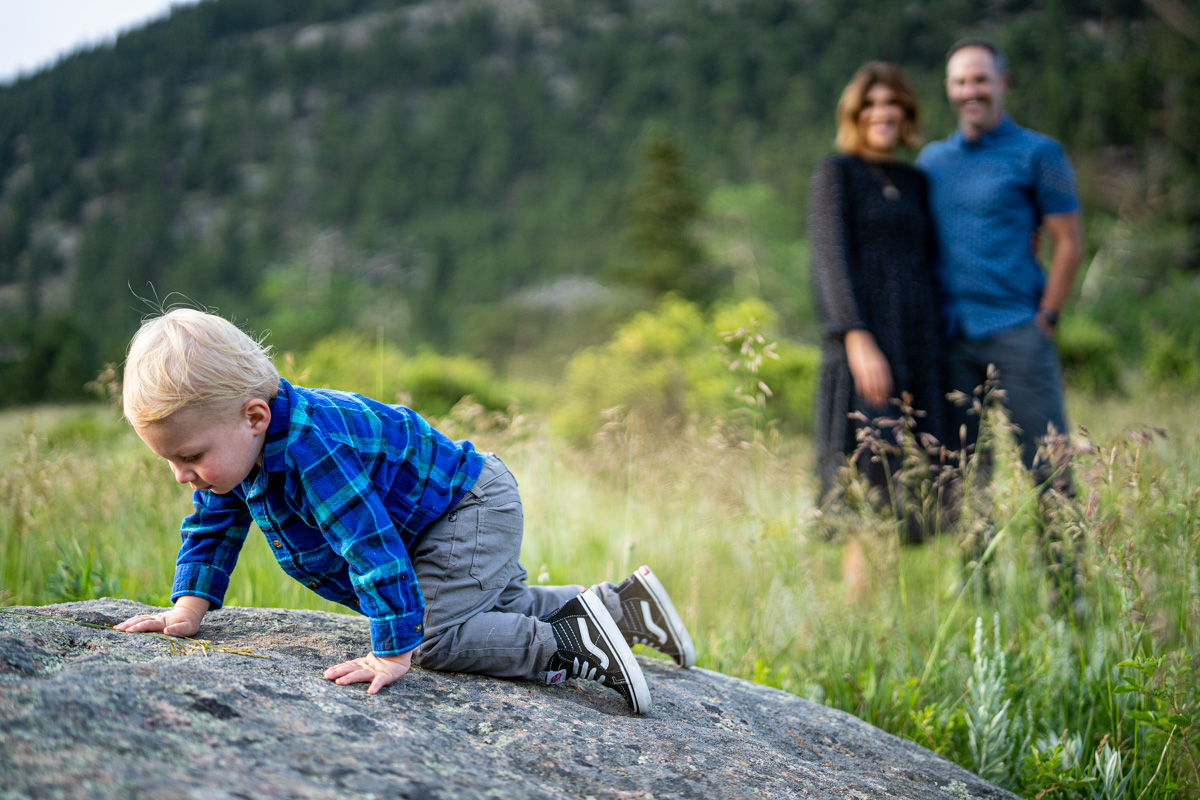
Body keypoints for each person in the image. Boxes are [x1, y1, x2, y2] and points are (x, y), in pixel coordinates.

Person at [113, 308, 695, 714]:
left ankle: (573, 647)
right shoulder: (240, 451)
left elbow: (369, 545)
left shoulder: (315, 448)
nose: (182, 474)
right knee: (499, 608)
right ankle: (625, 609)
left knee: (435, 638)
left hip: (467, 507)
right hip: (444, 518)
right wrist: (187, 608)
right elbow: (212, 523)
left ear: (254, 417)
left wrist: (392, 649)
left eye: (190, 456)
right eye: (170, 460)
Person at [916, 39, 1083, 494]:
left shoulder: (1039, 153)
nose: (971, 90)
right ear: (949, 88)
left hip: (1017, 331)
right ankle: (976, 568)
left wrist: (1046, 319)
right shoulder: (931, 162)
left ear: (1002, 83)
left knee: (1049, 468)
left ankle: (1064, 567)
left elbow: (1068, 243)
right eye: (960, 81)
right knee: (963, 477)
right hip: (951, 340)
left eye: (981, 79)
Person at [808, 62, 947, 533]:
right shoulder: (837, 171)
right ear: (854, 113)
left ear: (906, 113)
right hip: (864, 334)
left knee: (919, 465)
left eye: (892, 103)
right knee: (865, 455)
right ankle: (858, 589)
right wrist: (855, 335)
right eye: (870, 103)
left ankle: (904, 586)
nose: (881, 112)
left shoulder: (917, 181)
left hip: (918, 336)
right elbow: (829, 257)